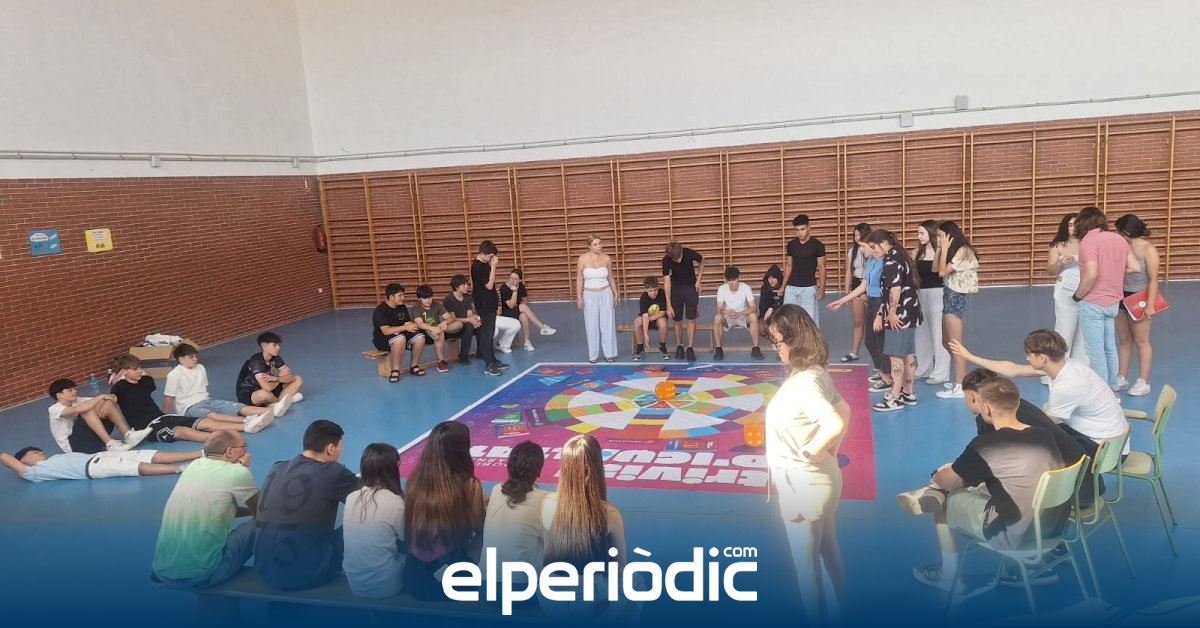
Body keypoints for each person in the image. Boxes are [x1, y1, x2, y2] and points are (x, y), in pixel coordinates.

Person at [906, 376, 1068, 591]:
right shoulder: (1043, 435)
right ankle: (1034, 567)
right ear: (1016, 403)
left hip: (1013, 535)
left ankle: (948, 575)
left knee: (944, 498)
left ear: (986, 409)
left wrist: (940, 475)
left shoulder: (986, 445)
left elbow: (946, 481)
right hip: (1053, 528)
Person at [896, 367, 1092, 518]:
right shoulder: (1021, 412)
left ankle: (933, 492)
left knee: (951, 488)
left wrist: (948, 473)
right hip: (1072, 489)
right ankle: (932, 491)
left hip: (1053, 500)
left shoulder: (993, 427)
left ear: (977, 399)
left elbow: (982, 465)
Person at [765, 304, 848, 624]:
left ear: (794, 339)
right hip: (821, 480)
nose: (776, 349)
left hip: (802, 484)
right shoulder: (814, 371)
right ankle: (844, 611)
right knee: (828, 550)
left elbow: (833, 422)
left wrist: (809, 452)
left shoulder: (804, 384)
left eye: (777, 341)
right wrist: (830, 453)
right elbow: (844, 410)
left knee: (806, 568)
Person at [949, 330, 1130, 463]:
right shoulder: (1066, 366)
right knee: (1019, 411)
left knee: (1016, 414)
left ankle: (991, 460)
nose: (1027, 359)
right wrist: (970, 357)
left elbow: (1047, 425)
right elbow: (1013, 369)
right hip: (1111, 443)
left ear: (1042, 358)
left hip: (1103, 451)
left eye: (1029, 355)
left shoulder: (1067, 385)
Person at [540, 434, 637, 621]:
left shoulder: (546, 503)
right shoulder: (608, 513)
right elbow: (620, 568)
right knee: (638, 582)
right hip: (588, 602)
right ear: (594, 469)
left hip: (549, 601)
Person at [254, 420, 359, 591]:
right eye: (340, 446)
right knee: (364, 521)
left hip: (265, 569)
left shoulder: (276, 467)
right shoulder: (333, 472)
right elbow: (371, 497)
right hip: (310, 573)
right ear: (331, 448)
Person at [152, 431, 259, 588]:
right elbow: (262, 511)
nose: (246, 452)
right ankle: (276, 575)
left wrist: (248, 511)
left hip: (162, 570)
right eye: (244, 447)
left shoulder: (194, 465)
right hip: (204, 574)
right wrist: (244, 467)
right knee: (260, 524)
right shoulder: (237, 472)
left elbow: (218, 507)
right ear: (230, 451)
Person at [403, 421, 485, 600]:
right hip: (451, 583)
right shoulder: (470, 485)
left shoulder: (414, 482)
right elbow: (480, 528)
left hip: (414, 578)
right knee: (484, 537)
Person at [111, 354, 272, 441]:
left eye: (140, 367)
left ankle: (247, 426)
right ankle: (217, 440)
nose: (140, 371)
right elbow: (112, 399)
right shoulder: (119, 388)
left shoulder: (145, 381)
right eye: (135, 369)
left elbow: (148, 380)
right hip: (146, 427)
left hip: (162, 417)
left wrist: (138, 373)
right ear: (124, 371)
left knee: (202, 422)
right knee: (182, 431)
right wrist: (117, 383)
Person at [480, 441, 548, 599]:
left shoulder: (496, 490)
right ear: (538, 471)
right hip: (522, 591)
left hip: (485, 587)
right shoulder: (545, 500)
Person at [1072, 205, 1130, 390]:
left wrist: (1077, 296)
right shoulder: (1119, 239)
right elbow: (1134, 266)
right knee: (1109, 347)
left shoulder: (1088, 241)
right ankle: (1113, 387)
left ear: (1082, 223)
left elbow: (1091, 275)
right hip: (1113, 301)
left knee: (1095, 350)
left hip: (1093, 302)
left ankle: (1101, 392)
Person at [866, 229, 923, 412]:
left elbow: (895, 288)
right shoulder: (900, 255)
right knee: (908, 353)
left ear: (883, 243)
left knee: (895, 356)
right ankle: (909, 392)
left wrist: (891, 312)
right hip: (911, 312)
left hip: (899, 314)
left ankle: (895, 396)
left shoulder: (891, 259)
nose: (873, 251)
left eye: (874, 247)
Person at [343, 443, 406, 599]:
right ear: (392, 469)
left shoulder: (351, 498)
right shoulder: (395, 501)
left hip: (355, 584)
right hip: (388, 585)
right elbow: (409, 539)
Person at [827, 238, 891, 392]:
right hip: (871, 301)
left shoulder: (885, 262)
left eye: (863, 247)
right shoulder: (870, 261)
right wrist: (842, 301)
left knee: (881, 341)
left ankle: (887, 377)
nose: (861, 250)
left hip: (881, 302)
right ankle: (880, 370)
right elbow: (863, 286)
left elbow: (888, 289)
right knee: (870, 340)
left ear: (872, 246)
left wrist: (881, 311)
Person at [164, 343, 273, 424]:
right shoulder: (174, 374)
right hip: (189, 407)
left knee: (236, 407)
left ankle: (272, 410)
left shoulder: (200, 368)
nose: (196, 359)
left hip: (207, 400)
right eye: (191, 357)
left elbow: (203, 389)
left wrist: (275, 378)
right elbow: (168, 399)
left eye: (195, 356)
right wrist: (163, 418)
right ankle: (247, 420)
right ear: (181, 360)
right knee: (212, 415)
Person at [1114, 214, 1160, 397]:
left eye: (1118, 231)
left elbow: (1153, 280)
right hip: (1120, 296)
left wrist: (1150, 305)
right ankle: (1122, 376)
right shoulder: (1122, 247)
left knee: (1141, 340)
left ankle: (1143, 380)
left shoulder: (1148, 249)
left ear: (1125, 232)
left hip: (1140, 297)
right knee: (1124, 339)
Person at [934, 220, 979, 399]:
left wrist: (944, 248)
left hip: (956, 297)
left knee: (955, 344)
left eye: (940, 236)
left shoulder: (963, 250)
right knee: (946, 341)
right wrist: (940, 249)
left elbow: (942, 273)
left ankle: (961, 384)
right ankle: (960, 378)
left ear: (949, 235)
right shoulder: (952, 250)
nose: (938, 239)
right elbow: (935, 268)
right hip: (948, 295)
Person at [46, 378, 148, 453]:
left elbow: (114, 397)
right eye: (70, 390)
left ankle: (128, 435)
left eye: (74, 389)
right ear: (59, 395)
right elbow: (78, 409)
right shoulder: (54, 409)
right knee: (87, 410)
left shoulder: (78, 400)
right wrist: (102, 396)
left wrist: (108, 402)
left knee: (103, 403)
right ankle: (110, 444)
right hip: (76, 447)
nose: (75, 391)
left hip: (92, 440)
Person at [1046, 212, 1089, 382]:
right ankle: (1056, 368)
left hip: (1086, 289)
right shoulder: (1058, 245)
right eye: (1070, 225)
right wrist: (1060, 262)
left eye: (1076, 224)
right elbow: (1050, 270)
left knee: (1084, 332)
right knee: (1064, 329)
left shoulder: (1088, 243)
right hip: (1065, 290)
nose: (1073, 228)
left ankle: (1080, 369)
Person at [2, 446, 199, 482]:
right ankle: (183, 468)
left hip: (100, 455)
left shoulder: (53, 459)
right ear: (24, 460)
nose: (40, 452)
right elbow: (5, 457)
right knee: (135, 467)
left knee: (149, 455)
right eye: (34, 452)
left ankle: (201, 453)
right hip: (94, 468)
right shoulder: (34, 472)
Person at [913, 220, 951, 384]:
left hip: (937, 293)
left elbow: (939, 271)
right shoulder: (916, 252)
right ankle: (923, 368)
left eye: (922, 233)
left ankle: (940, 373)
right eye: (918, 233)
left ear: (931, 233)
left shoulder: (941, 252)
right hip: (920, 293)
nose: (919, 236)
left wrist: (940, 249)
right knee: (921, 333)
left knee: (938, 333)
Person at [235, 332, 304, 415]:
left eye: (278, 344)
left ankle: (276, 404)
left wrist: (276, 378)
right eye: (274, 345)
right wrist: (279, 376)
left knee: (298, 379)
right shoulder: (256, 362)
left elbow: (291, 377)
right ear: (264, 346)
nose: (278, 347)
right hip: (250, 394)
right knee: (263, 394)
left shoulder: (275, 357)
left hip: (271, 386)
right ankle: (282, 402)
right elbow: (267, 388)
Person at [373, 283, 429, 380]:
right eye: (400, 295)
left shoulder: (402, 307)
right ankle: (395, 369)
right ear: (391, 297)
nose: (403, 298)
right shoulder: (380, 310)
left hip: (400, 334)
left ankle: (414, 366)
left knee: (420, 338)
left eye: (403, 295)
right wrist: (405, 327)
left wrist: (415, 326)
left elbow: (408, 324)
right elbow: (386, 331)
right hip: (383, 339)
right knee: (400, 339)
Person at [576, 234, 619, 363]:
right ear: (589, 246)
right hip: (589, 294)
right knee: (591, 325)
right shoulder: (582, 259)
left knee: (608, 324)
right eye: (595, 244)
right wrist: (579, 297)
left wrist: (616, 293)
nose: (599, 246)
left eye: (600, 243)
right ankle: (593, 355)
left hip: (606, 293)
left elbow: (610, 277)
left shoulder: (606, 258)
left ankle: (609, 354)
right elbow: (579, 279)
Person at [662, 240, 705, 362]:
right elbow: (666, 282)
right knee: (677, 320)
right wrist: (668, 305)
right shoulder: (666, 260)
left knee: (691, 319)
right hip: (676, 290)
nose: (678, 260)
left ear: (681, 252)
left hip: (691, 288)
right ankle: (679, 346)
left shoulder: (688, 253)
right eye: (675, 259)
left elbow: (702, 260)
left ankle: (690, 347)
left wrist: (699, 279)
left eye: (679, 257)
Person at [471, 240, 509, 376]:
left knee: (490, 332)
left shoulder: (484, 263)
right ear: (482, 253)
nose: (492, 259)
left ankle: (493, 360)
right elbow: (489, 285)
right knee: (487, 334)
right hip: (483, 303)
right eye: (490, 256)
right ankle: (488, 364)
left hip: (490, 302)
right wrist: (494, 267)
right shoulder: (477, 267)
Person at [782, 214, 827, 325]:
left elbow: (822, 268)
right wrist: (783, 286)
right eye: (797, 230)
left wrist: (822, 288)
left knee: (809, 320)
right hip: (791, 287)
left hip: (809, 287)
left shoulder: (818, 245)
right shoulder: (791, 244)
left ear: (809, 227)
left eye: (802, 229)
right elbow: (789, 265)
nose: (800, 233)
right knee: (788, 320)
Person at [713, 266, 763, 360]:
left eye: (734, 280)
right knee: (717, 318)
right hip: (728, 317)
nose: (731, 283)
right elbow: (719, 308)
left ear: (738, 278)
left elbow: (753, 307)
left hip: (742, 316)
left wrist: (740, 313)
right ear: (726, 280)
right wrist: (727, 312)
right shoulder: (722, 288)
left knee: (753, 316)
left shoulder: (746, 287)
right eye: (729, 280)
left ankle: (756, 348)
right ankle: (718, 349)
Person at [501, 267, 557, 352]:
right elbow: (511, 306)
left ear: (520, 280)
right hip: (506, 313)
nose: (512, 280)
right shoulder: (504, 288)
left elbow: (524, 300)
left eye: (515, 279)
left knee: (524, 316)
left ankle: (527, 342)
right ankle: (541, 327)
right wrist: (515, 292)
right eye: (511, 278)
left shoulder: (521, 287)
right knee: (523, 307)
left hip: (517, 310)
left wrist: (520, 307)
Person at [838, 223, 872, 362]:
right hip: (857, 284)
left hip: (870, 285)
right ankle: (854, 352)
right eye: (855, 235)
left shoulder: (872, 250)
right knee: (858, 322)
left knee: (874, 321)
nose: (857, 238)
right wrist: (847, 292)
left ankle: (880, 354)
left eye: (860, 235)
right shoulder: (852, 251)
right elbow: (849, 271)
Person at [411, 284, 454, 374]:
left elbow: (450, 318)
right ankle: (440, 361)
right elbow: (419, 324)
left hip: (437, 328)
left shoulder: (437, 304)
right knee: (439, 333)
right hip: (424, 332)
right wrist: (433, 328)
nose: (428, 300)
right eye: (425, 298)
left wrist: (444, 322)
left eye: (430, 297)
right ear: (419, 299)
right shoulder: (416, 308)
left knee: (458, 324)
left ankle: (441, 361)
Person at [442, 274, 482, 365]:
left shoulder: (468, 297)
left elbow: (469, 314)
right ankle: (463, 357)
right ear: (456, 287)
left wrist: (474, 321)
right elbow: (452, 319)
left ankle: (480, 353)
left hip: (466, 323)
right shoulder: (449, 299)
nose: (466, 286)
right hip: (454, 327)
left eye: (467, 284)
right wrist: (470, 320)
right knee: (468, 327)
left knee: (480, 326)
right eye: (463, 285)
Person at [633, 276, 669, 360]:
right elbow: (645, 315)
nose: (653, 293)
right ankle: (640, 348)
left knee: (663, 323)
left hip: (658, 318)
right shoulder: (643, 298)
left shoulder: (662, 294)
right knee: (637, 322)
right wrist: (646, 334)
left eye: (655, 290)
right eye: (650, 291)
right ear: (646, 290)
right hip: (646, 318)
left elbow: (662, 312)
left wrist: (646, 320)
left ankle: (662, 347)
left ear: (658, 287)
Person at [759, 264, 785, 332]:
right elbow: (762, 305)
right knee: (762, 329)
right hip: (767, 315)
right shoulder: (765, 288)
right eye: (769, 278)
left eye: (774, 278)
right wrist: (762, 317)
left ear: (779, 278)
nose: (771, 280)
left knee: (778, 326)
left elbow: (785, 305)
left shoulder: (784, 288)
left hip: (781, 314)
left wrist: (772, 308)